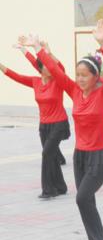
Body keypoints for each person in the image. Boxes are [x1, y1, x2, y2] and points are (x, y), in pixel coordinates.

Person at [37, 19, 103, 240]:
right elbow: (55, 72)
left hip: (102, 154)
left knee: (82, 197)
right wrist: (38, 49)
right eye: (78, 75)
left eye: (85, 75)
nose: (80, 78)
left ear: (95, 76)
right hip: (80, 155)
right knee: (86, 199)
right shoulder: (74, 91)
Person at [0, 37, 70, 199]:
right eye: (46, 65)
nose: (51, 68)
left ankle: (49, 190)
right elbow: (15, 76)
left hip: (59, 123)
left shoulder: (58, 81)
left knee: (46, 154)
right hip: (44, 126)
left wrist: (48, 52)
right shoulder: (35, 81)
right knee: (51, 155)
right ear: (40, 68)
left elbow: (60, 67)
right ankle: (61, 186)